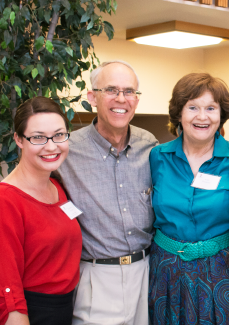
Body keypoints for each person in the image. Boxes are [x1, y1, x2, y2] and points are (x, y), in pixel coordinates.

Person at [58, 60, 158, 325]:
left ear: (136, 100)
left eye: (129, 92)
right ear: (92, 97)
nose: (121, 99)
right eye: (111, 90)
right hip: (96, 275)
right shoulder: (67, 151)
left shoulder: (150, 146)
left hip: (146, 273)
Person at [149, 73, 229, 325]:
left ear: (221, 115)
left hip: (221, 269)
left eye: (211, 108)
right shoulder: (156, 157)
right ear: (179, 113)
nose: (202, 117)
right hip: (166, 271)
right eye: (192, 107)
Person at [0, 97, 82, 325]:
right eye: (38, 137)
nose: (51, 146)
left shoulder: (57, 185)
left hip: (66, 307)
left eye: (59, 135)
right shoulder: (6, 200)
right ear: (18, 139)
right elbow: (9, 290)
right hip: (32, 312)